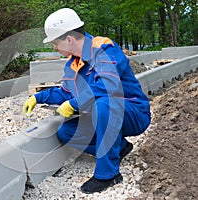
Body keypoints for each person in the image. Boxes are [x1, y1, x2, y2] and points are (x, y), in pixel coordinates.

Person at [22, 8, 151, 194]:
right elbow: (66, 93)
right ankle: (120, 148)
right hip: (106, 114)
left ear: (69, 39)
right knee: (67, 132)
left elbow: (109, 85)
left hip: (133, 113)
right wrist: (38, 97)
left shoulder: (104, 48)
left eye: (55, 43)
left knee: (103, 103)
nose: (54, 48)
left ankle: (108, 174)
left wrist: (74, 104)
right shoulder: (72, 64)